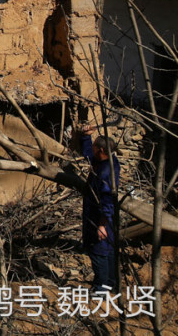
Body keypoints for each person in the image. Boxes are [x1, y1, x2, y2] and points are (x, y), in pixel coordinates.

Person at [80, 123, 121, 292]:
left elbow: (107, 201)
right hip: (99, 215)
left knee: (99, 252)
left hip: (101, 217)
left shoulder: (106, 173)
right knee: (108, 250)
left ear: (102, 151)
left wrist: (102, 225)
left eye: (95, 147)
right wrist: (86, 136)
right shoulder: (103, 160)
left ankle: (101, 290)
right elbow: (88, 155)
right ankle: (112, 283)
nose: (93, 150)